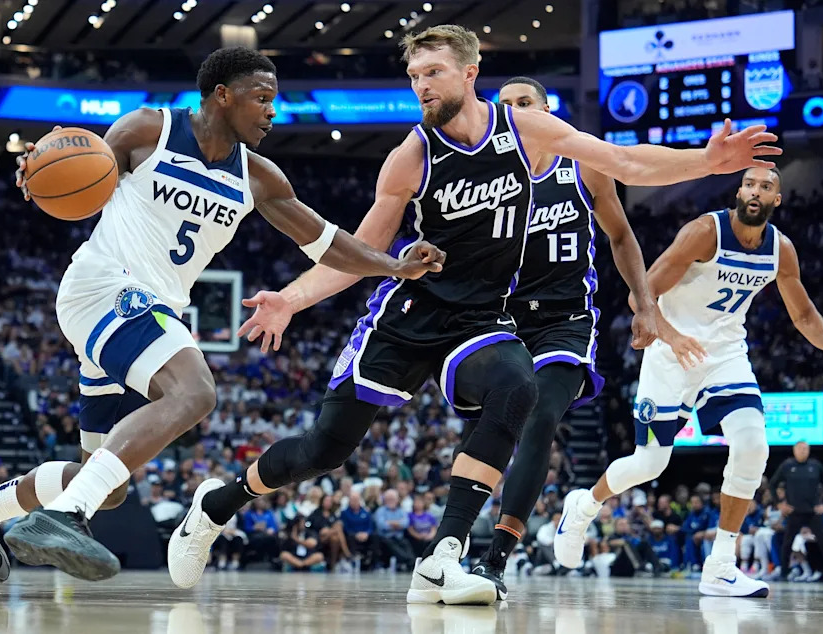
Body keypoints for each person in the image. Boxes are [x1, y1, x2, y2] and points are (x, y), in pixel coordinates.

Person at [175, 24, 781, 606]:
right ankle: (218, 504)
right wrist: (292, 298)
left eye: (433, 72)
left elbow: (624, 163)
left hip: (482, 319)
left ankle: (442, 556)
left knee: (519, 385)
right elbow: (358, 251)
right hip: (411, 312)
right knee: (323, 451)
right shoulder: (411, 156)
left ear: (470, 72)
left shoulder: (527, 128)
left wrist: (706, 161)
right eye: (414, 75)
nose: (422, 86)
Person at [0, 46, 444, 584]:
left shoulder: (259, 177)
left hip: (148, 312)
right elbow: (86, 162)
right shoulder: (149, 129)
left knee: (106, 483)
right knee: (195, 393)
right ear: (221, 95)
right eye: (262, 99)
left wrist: (393, 265)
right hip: (106, 288)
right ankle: (62, 517)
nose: (273, 112)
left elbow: (325, 243)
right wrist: (40, 163)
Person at [553, 166, 823, 598]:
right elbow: (640, 295)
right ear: (739, 192)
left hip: (725, 356)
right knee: (649, 464)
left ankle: (720, 564)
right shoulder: (705, 232)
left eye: (766, 187)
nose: (756, 191)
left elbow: (806, 318)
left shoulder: (781, 250)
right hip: (669, 350)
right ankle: (583, 506)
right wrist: (674, 336)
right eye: (751, 184)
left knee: (754, 443)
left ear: (778, 200)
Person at [468, 75, 663, 591]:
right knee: (494, 425)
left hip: (565, 319)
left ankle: (497, 557)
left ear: (547, 109)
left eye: (525, 103)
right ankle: (452, 544)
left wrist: (644, 304)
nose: (515, 112)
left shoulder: (581, 163)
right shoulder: (482, 173)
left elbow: (620, 234)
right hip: (503, 319)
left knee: (539, 417)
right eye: (505, 105)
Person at [768, 441, 823, 580]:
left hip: (813, 511)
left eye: (806, 448)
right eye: (800, 448)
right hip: (794, 511)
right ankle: (784, 573)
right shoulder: (787, 465)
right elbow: (772, 484)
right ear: (794, 450)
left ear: (809, 450)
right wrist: (780, 504)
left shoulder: (815, 465)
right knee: (787, 543)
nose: (803, 451)